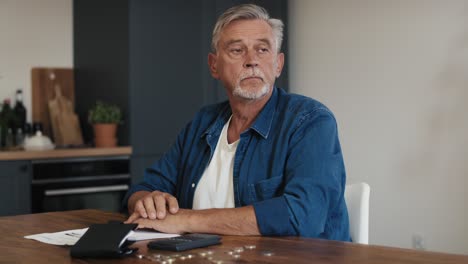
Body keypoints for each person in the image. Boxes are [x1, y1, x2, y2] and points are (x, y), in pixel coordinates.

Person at [124, 4, 350, 241]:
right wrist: (145, 202)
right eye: (237, 50)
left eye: (262, 49)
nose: (252, 60)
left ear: (278, 64)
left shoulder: (310, 120)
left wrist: (185, 220)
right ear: (214, 65)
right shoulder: (202, 122)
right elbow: (144, 187)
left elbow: (304, 215)